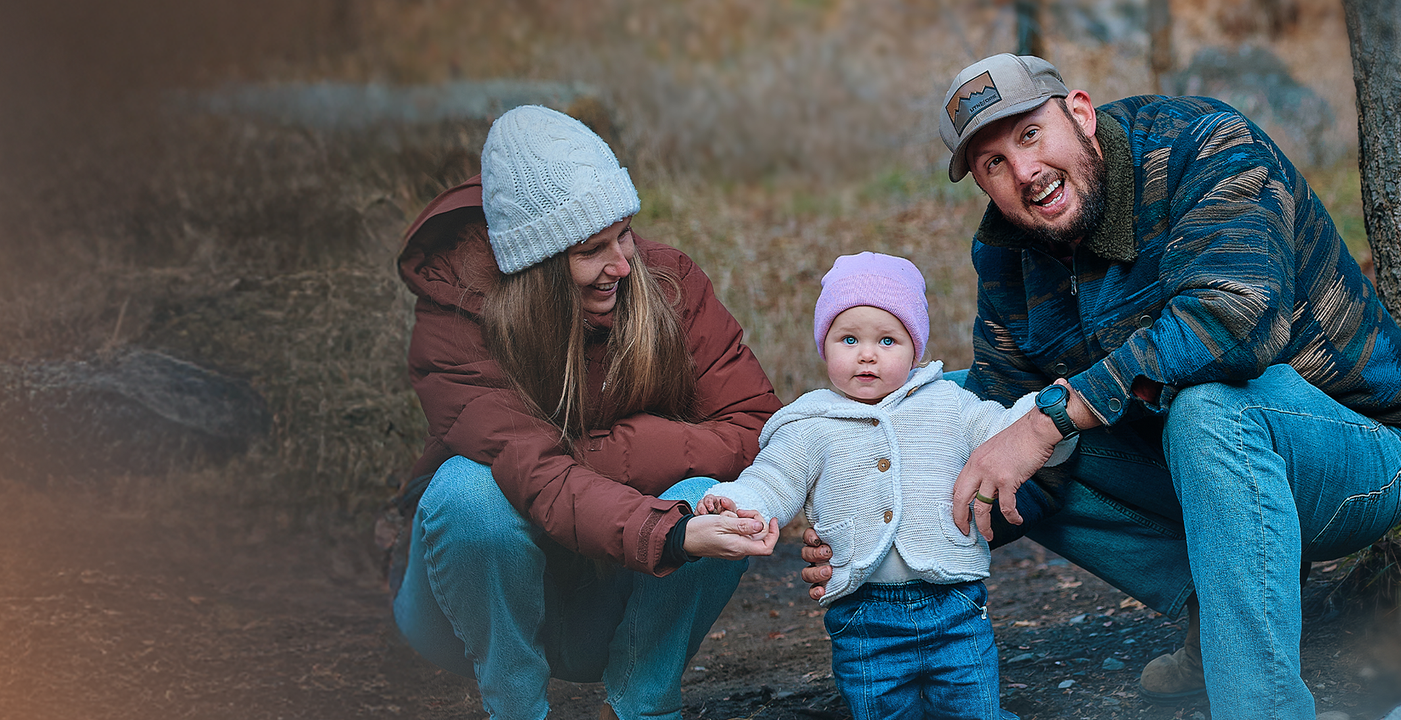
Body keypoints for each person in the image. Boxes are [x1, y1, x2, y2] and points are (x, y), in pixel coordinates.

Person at [803, 53, 1401, 719]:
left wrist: (1051, 417)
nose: (1023, 172)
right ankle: (1219, 617)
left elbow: (1235, 318)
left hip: (1355, 453)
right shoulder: (1005, 250)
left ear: (1080, 113)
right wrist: (873, 533)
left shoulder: (1204, 144)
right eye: (992, 163)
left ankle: (1262, 709)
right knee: (968, 416)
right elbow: (1000, 433)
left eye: (1030, 134)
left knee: (1200, 410)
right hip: (1196, 468)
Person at [389, 104, 784, 720]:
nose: (624, 265)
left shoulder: (667, 281)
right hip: (472, 600)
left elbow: (760, 426)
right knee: (470, 492)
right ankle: (515, 707)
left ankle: (642, 705)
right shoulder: (456, 319)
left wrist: (613, 459)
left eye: (625, 233)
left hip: (613, 589)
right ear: (538, 266)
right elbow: (536, 474)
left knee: (718, 492)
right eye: (592, 250)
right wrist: (667, 522)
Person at [699, 252, 1068, 720]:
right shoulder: (812, 422)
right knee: (880, 709)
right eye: (848, 338)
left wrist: (1044, 417)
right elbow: (774, 479)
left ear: (915, 349)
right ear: (824, 345)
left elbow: (1004, 432)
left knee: (972, 706)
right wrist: (741, 502)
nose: (867, 354)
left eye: (888, 340)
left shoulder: (949, 405)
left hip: (953, 600)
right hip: (863, 613)